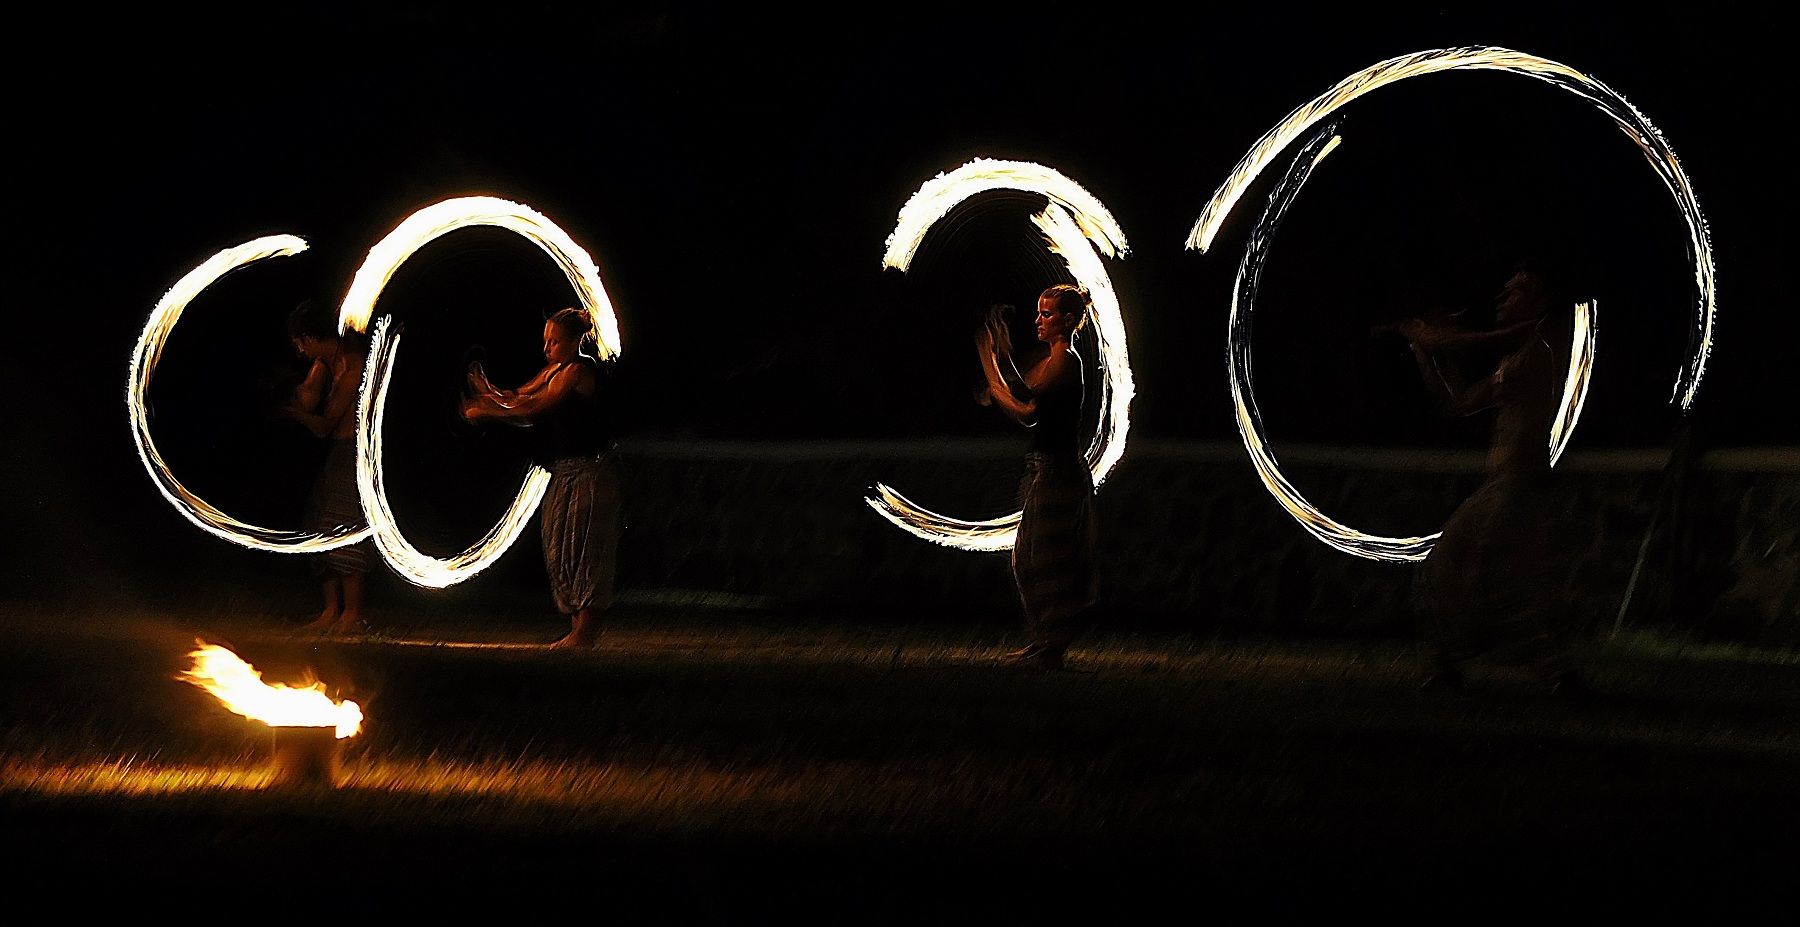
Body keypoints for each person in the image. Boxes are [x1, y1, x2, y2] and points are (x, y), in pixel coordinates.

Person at [1392, 260, 1592, 697]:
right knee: (1445, 567)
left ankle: (1558, 673)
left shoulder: (1549, 338)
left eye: (1515, 291)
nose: (1502, 299)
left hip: (1524, 484)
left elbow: (1480, 338)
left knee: (1493, 577)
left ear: (1541, 299)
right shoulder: (1514, 358)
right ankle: (1445, 667)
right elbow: (1457, 403)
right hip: (1499, 484)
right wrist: (1426, 354)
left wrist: (1440, 337)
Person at [462, 307, 621, 649]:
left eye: (554, 341)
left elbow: (534, 411)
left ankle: (585, 632)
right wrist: (485, 388)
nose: (547, 348)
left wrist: (485, 410)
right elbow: (517, 398)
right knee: (558, 544)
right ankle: (577, 627)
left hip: (591, 470)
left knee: (584, 547)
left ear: (575, 341)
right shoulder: (554, 370)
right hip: (565, 470)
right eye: (545, 341)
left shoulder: (579, 372)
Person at [974, 284, 1100, 670]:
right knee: (1026, 559)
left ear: (1067, 320)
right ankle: (1044, 641)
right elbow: (1026, 387)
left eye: (1046, 314)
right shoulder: (1054, 360)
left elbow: (1027, 411)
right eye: (1039, 312)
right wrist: (1000, 354)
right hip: (1044, 468)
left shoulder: (1067, 361)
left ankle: (1052, 648)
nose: (1038, 320)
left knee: (1046, 560)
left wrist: (991, 370)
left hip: (1058, 471)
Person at [279, 299, 376, 633]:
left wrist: (294, 414)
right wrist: (290, 392)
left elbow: (322, 425)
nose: (298, 351)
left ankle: (353, 613)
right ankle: (331, 611)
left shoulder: (353, 368)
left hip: (355, 454)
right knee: (318, 524)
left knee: (344, 527)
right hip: (338, 451)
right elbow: (307, 396)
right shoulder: (326, 363)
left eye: (298, 343)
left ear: (309, 337)